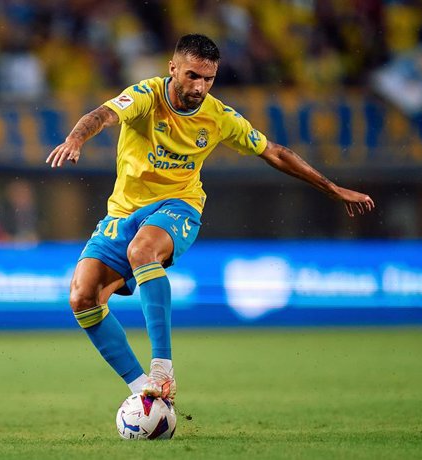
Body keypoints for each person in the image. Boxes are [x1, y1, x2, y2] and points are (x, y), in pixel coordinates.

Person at [46, 34, 374, 403]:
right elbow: (102, 115)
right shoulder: (146, 95)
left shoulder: (217, 116)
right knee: (82, 297)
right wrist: (76, 139)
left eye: (208, 79)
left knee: (143, 251)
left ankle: (163, 370)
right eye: (192, 76)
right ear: (172, 68)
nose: (200, 87)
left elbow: (276, 153)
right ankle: (145, 395)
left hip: (178, 206)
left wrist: (333, 189)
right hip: (123, 211)